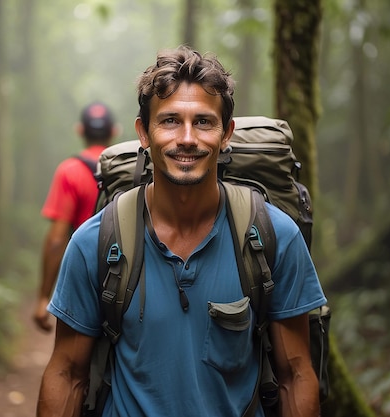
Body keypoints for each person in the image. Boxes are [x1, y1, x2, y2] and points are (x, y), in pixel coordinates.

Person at [37, 46, 326, 417]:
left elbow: (296, 375)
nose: (187, 138)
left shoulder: (273, 236)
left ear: (226, 134)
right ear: (144, 131)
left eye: (204, 122)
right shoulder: (96, 242)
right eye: (170, 120)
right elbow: (67, 373)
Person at [33, 102, 117, 332]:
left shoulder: (69, 171)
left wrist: (43, 298)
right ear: (114, 131)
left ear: (80, 130)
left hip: (84, 281)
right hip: (126, 277)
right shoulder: (133, 170)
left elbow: (57, 240)